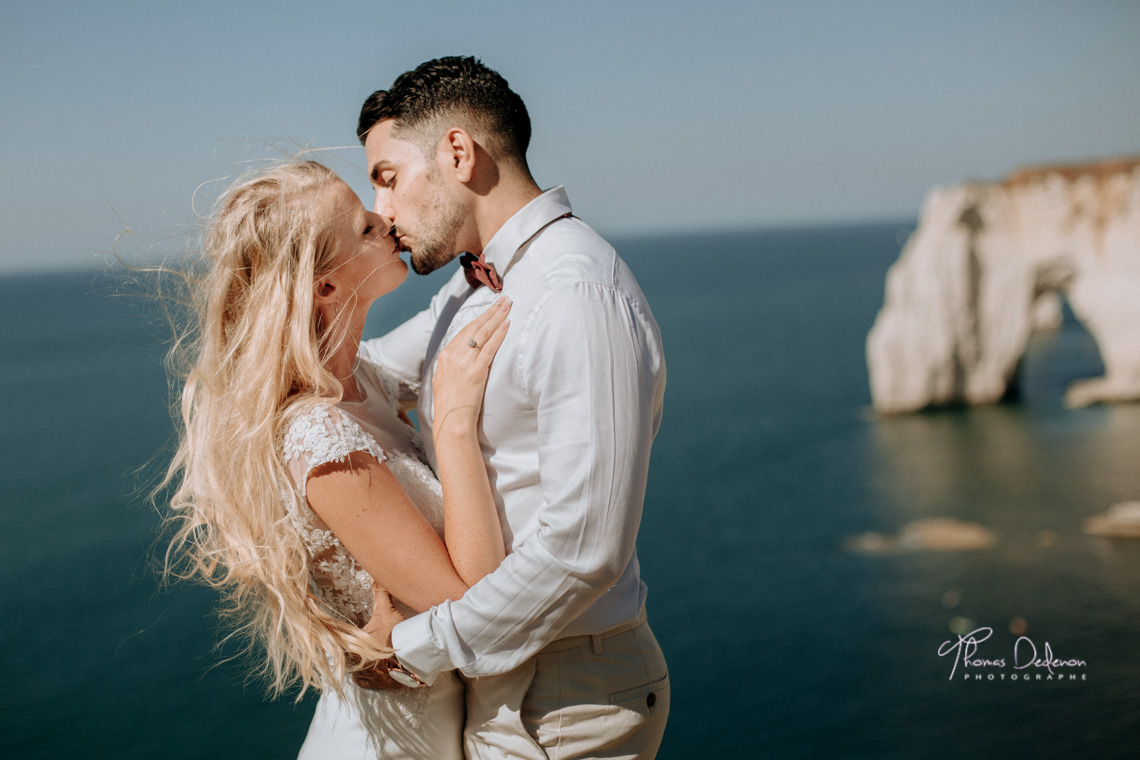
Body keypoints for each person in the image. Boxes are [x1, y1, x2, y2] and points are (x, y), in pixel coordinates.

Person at [356, 56, 670, 759]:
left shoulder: (576, 295)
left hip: (570, 695)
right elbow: (371, 374)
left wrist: (415, 646)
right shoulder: (476, 288)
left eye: (388, 178)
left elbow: (584, 550)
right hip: (501, 681)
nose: (381, 211)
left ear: (458, 153)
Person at [162, 158, 515, 758]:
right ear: (326, 286)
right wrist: (451, 425)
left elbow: (445, 318)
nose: (384, 220)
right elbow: (474, 604)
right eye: (363, 228)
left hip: (432, 723)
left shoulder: (362, 378)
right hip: (391, 742)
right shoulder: (317, 435)